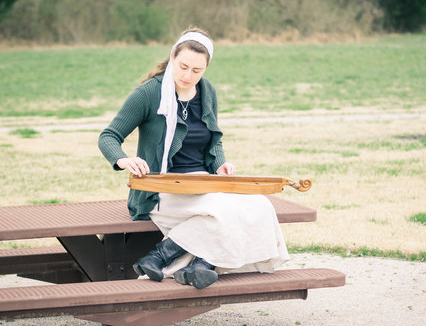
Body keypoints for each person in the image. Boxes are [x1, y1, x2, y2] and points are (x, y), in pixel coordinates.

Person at [98, 28, 289, 289]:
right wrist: (123, 160)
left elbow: (214, 140)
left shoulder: (207, 92)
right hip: (159, 189)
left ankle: (185, 263)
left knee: (260, 206)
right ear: (172, 57)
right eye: (183, 66)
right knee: (221, 212)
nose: (188, 76)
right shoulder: (148, 94)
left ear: (206, 68)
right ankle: (191, 262)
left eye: (197, 71)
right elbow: (109, 136)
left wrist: (220, 163)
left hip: (204, 184)